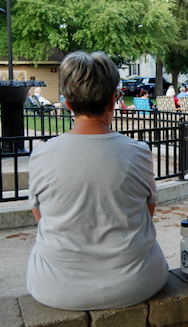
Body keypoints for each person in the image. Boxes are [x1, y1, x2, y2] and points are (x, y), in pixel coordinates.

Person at [26, 51, 168, 311]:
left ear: (68, 104)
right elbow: (146, 211)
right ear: (113, 100)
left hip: (55, 287)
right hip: (138, 281)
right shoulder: (138, 152)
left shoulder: (42, 154)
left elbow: (41, 217)